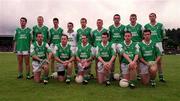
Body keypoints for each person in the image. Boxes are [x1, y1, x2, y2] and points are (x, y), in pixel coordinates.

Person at [144, 13, 166, 82]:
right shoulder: (146, 26)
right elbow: (144, 34)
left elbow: (163, 34)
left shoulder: (160, 25)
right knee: (149, 61)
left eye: (153, 16)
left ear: (155, 17)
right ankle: (150, 76)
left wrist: (159, 40)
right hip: (149, 44)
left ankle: (161, 77)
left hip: (158, 43)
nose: (151, 17)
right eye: (150, 16)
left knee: (159, 62)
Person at [125, 14, 143, 80]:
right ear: (129, 19)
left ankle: (138, 74)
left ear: (136, 19)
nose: (132, 19)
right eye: (131, 18)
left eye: (134, 18)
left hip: (137, 44)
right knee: (123, 59)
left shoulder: (140, 26)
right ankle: (123, 74)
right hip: (129, 44)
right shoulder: (127, 27)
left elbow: (142, 36)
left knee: (139, 60)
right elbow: (125, 35)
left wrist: (139, 43)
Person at [108, 14, 126, 80]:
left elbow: (125, 36)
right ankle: (111, 75)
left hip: (120, 45)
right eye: (115, 18)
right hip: (113, 45)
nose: (116, 19)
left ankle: (122, 74)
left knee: (121, 61)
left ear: (120, 19)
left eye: (118, 18)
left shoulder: (124, 27)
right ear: (113, 19)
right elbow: (109, 37)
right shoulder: (110, 27)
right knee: (112, 61)